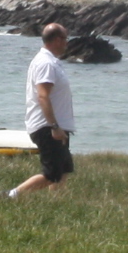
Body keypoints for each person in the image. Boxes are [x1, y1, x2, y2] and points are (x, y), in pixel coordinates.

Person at [7, 22, 77, 200]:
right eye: (65, 39)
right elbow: (43, 96)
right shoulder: (46, 63)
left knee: (63, 170)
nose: (67, 43)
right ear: (56, 40)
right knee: (52, 173)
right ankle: (11, 196)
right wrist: (54, 126)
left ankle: (56, 204)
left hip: (57, 127)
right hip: (48, 127)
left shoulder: (52, 62)